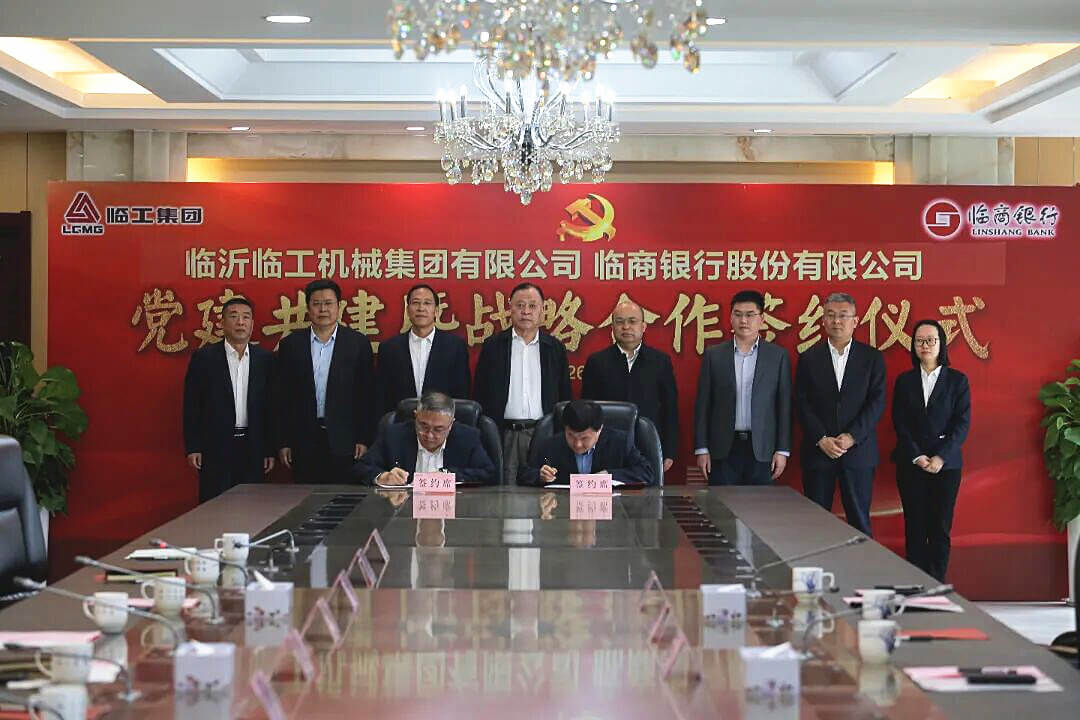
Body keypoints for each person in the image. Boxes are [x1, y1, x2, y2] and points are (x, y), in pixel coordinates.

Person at [795, 291, 885, 535]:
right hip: (818, 452)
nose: (837, 321)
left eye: (843, 315)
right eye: (831, 315)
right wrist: (821, 438)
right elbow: (801, 403)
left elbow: (876, 402)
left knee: (859, 522)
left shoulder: (872, 358)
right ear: (823, 320)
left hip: (858, 453)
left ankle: (861, 562)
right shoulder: (809, 357)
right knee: (816, 525)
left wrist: (852, 437)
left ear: (855, 321)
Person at [891, 319, 971, 581]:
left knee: (939, 529)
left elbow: (962, 424)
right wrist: (917, 455)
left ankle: (936, 585)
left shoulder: (957, 381)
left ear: (941, 344)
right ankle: (916, 585)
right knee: (914, 528)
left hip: (946, 467)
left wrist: (940, 457)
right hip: (911, 464)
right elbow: (900, 423)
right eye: (919, 341)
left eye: (930, 340)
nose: (924, 345)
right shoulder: (905, 381)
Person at [275, 279, 375, 483]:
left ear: (339, 306)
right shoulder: (291, 345)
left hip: (345, 440)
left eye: (328, 303)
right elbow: (282, 398)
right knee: (304, 498)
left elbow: (366, 395)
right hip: (303, 440)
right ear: (308, 308)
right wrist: (283, 441)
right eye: (317, 304)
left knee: (343, 498)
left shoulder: (357, 343)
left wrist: (363, 438)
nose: (323, 309)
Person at [473, 282, 572, 483]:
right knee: (503, 490)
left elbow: (564, 395)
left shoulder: (554, 348)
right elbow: (480, 392)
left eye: (532, 306)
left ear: (543, 310)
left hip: (543, 433)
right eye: (520, 305)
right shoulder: (493, 346)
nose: (526, 311)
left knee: (543, 490)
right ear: (510, 308)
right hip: (503, 433)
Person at [693, 290, 792, 485]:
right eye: (737, 314)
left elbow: (784, 406)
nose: (743, 320)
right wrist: (702, 448)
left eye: (750, 315)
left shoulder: (777, 356)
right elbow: (703, 404)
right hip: (723, 448)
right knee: (721, 503)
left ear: (762, 319)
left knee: (759, 504)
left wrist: (782, 450)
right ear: (730, 318)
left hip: (762, 448)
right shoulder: (714, 355)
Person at [182, 297, 275, 502]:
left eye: (246, 317)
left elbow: (271, 408)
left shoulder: (265, 360)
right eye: (234, 316)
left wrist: (269, 449)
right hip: (215, 446)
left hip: (252, 446)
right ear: (222, 323)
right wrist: (193, 446)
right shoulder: (204, 358)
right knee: (215, 504)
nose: (240, 322)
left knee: (252, 505)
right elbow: (192, 406)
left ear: (252, 324)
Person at [581, 299, 679, 474]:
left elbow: (670, 409)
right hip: (606, 445)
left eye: (632, 321)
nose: (626, 327)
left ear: (643, 326)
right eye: (619, 322)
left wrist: (669, 451)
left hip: (648, 443)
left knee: (648, 489)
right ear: (612, 327)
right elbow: (587, 409)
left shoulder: (660, 362)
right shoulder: (597, 362)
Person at [354, 392, 496, 486]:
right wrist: (382, 477)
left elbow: (488, 473)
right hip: (403, 512)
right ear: (416, 415)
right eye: (423, 426)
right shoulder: (394, 435)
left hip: (453, 513)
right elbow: (361, 467)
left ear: (451, 424)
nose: (429, 435)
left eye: (438, 429)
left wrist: (450, 476)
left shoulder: (467, 438)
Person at [376, 284, 470, 416]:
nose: (421, 308)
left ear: (436, 311)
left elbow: (462, 393)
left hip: (440, 423)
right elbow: (381, 395)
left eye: (427, 303)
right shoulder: (389, 348)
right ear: (407, 310)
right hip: (401, 422)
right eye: (415, 303)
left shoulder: (455, 346)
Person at [519, 400, 655, 487]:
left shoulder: (620, 442)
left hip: (610, 515)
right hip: (563, 512)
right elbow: (523, 474)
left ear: (599, 430)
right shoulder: (551, 445)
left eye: (584, 438)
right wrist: (539, 476)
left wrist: (609, 475)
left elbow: (647, 472)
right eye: (571, 436)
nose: (577, 444)